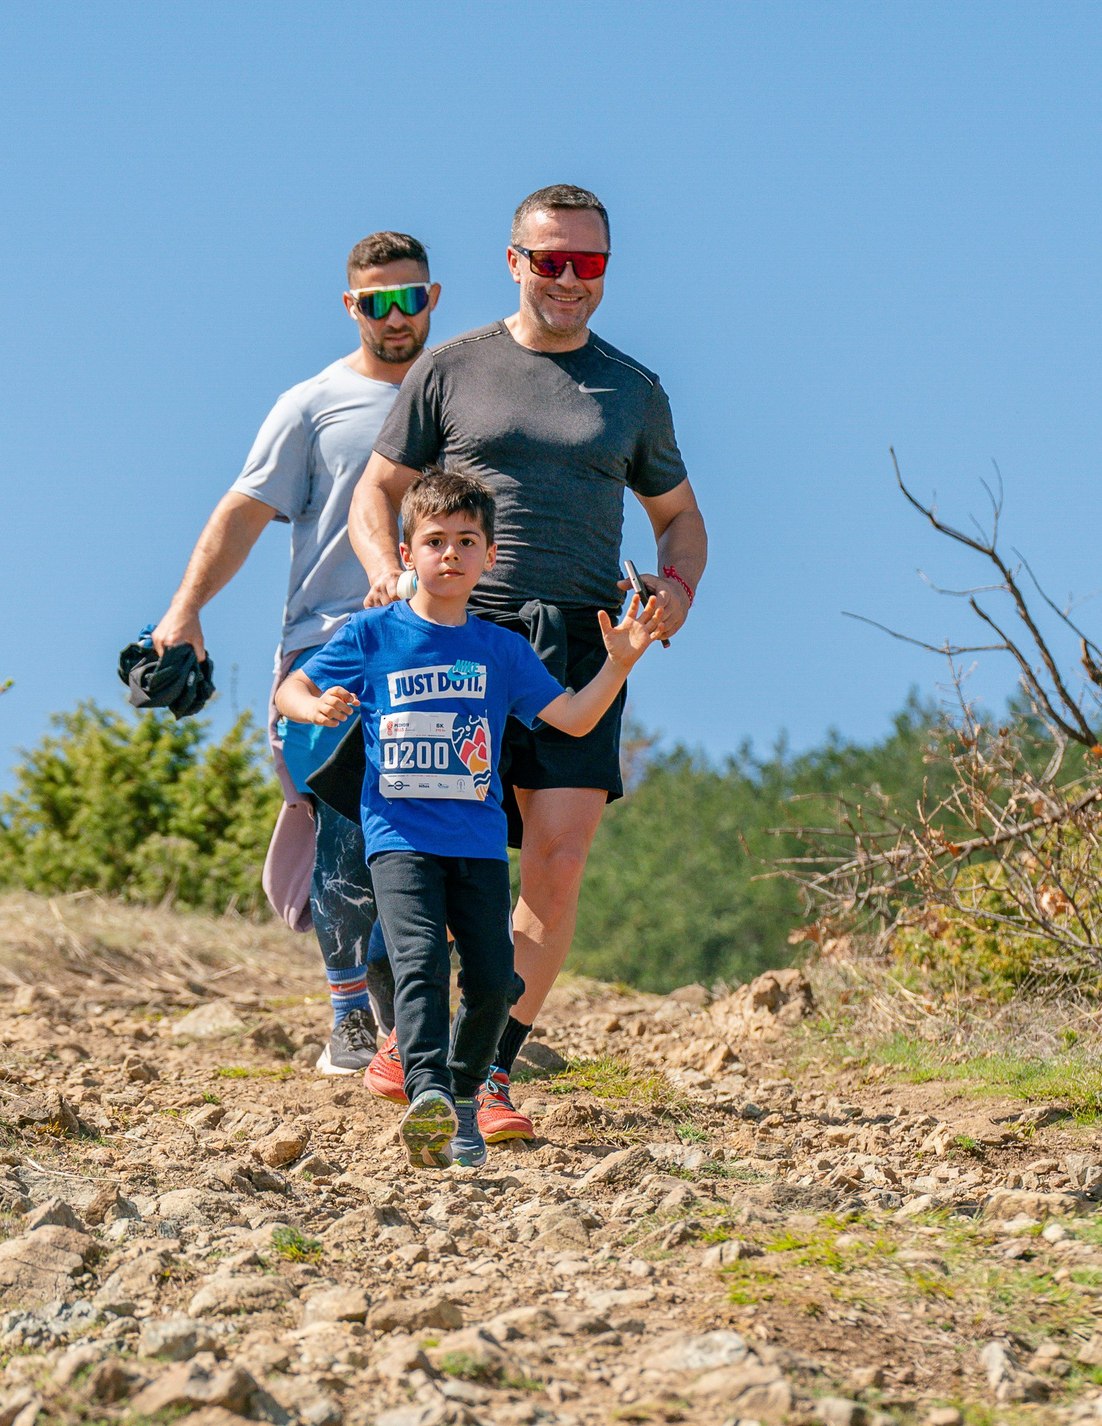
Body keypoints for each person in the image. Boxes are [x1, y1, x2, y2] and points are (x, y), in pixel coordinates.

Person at [346, 183, 708, 1140]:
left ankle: (489, 1069)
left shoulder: (634, 389)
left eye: (587, 263)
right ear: (515, 262)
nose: (568, 279)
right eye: (550, 260)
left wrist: (675, 592)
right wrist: (388, 574)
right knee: (427, 851)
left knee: (556, 861)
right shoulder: (453, 368)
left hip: (582, 639)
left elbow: (681, 521)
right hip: (464, 632)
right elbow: (375, 493)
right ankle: (407, 1032)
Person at [275, 469, 661, 1168]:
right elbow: (291, 689)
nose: (449, 554)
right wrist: (315, 708)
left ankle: (456, 1096)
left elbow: (572, 720)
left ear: (488, 556)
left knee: (491, 981)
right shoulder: (373, 636)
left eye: (466, 541)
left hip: (479, 846)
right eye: (434, 541)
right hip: (398, 840)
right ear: (406, 553)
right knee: (421, 962)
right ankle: (426, 1089)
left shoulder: (502, 650)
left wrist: (619, 665)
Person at [152, 231, 442, 1073]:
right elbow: (243, 513)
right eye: (376, 302)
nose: (396, 316)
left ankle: (414, 1032)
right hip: (331, 651)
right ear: (352, 307)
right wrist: (183, 613)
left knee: (433, 839)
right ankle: (351, 1015)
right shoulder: (313, 405)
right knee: (347, 831)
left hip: (438, 650)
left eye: (411, 297)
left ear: (433, 297)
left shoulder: (463, 395)